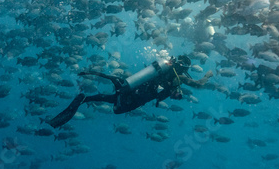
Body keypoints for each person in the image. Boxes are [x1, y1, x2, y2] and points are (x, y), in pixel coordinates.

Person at [47, 55, 213, 128]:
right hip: (138, 97)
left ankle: (86, 98)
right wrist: (208, 75)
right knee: (117, 105)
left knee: (114, 95)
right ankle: (85, 98)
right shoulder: (178, 77)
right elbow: (198, 84)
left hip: (134, 88)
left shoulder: (164, 70)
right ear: (184, 67)